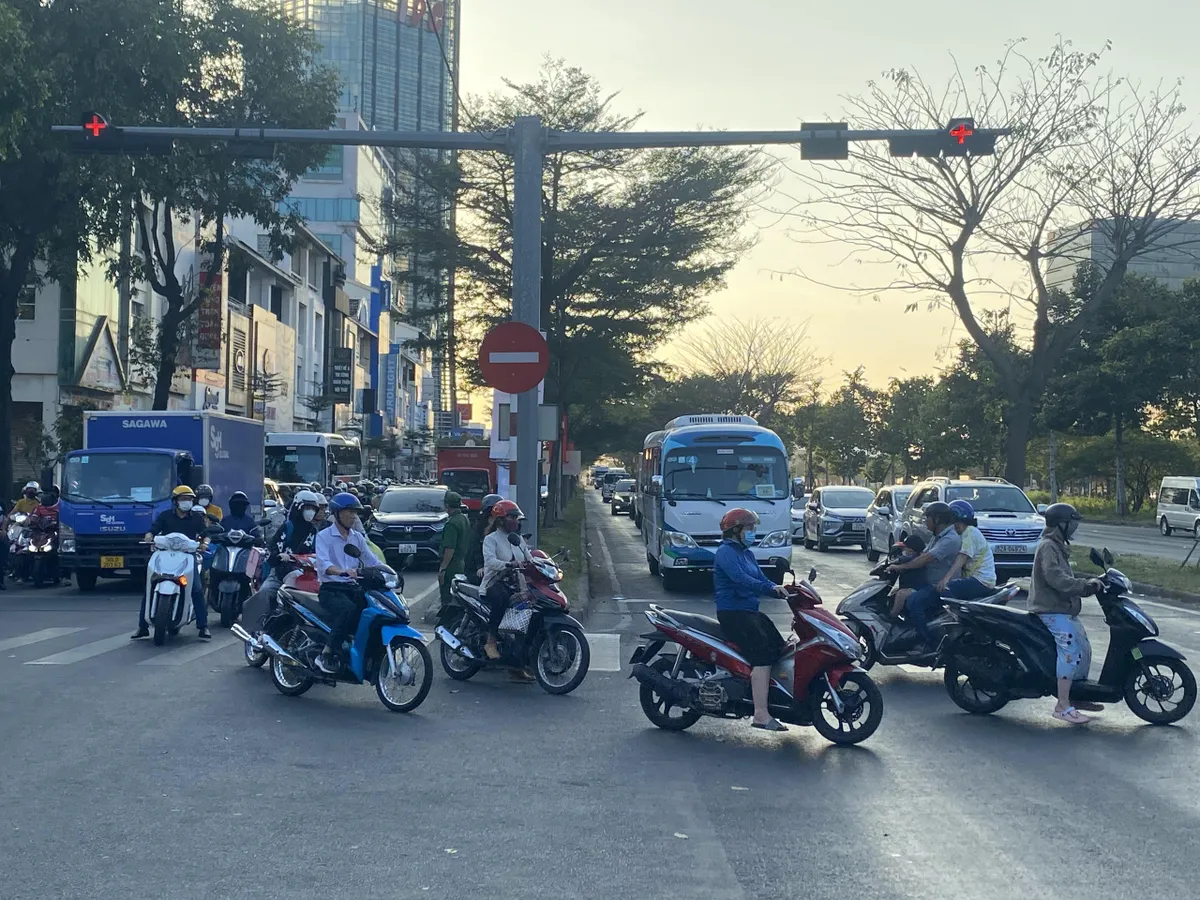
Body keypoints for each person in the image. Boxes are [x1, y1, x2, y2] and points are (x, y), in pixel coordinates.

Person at [712, 508, 791, 731]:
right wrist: (769, 588)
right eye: (749, 528)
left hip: (749, 612)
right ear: (736, 530)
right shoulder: (726, 552)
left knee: (779, 647)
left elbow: (759, 577)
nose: (752, 532)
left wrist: (779, 587)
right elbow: (741, 579)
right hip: (734, 614)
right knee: (763, 656)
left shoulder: (746, 553)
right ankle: (760, 714)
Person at [1028, 502, 1104, 725]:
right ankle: (1062, 705)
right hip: (1050, 609)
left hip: (1062, 609)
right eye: (1071, 524)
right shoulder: (1048, 547)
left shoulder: (1058, 545)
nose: (1074, 528)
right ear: (1061, 524)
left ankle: (1074, 697)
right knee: (1069, 651)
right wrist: (1084, 586)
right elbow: (1056, 578)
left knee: (1083, 647)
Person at [313, 492, 383, 675]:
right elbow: (323, 564)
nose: (353, 516)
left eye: (355, 513)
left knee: (374, 611)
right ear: (337, 513)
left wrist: (389, 572)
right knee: (347, 610)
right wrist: (341, 571)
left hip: (353, 588)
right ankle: (326, 654)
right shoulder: (324, 536)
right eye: (349, 512)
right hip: (331, 589)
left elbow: (371, 560)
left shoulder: (357, 538)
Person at [133, 486, 211, 641]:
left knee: (196, 588)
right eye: (183, 499)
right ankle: (143, 627)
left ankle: (203, 626)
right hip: (165, 556)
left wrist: (205, 543)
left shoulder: (196, 517)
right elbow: (154, 529)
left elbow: (205, 534)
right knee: (150, 586)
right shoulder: (165, 516)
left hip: (187, 557)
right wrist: (149, 535)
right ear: (175, 501)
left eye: (189, 499)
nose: (186, 502)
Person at [241, 490, 321, 626]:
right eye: (307, 508)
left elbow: (318, 553)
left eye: (313, 509)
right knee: (265, 592)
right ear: (298, 507)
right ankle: (259, 629)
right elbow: (275, 547)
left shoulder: (314, 532)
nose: (310, 512)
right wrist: (279, 556)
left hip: (305, 576)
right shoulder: (287, 527)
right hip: (280, 573)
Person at [886, 501, 961, 644]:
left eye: (928, 519)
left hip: (939, 586)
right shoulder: (938, 536)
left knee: (914, 601)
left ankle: (923, 640)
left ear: (937, 520)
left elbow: (926, 559)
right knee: (896, 593)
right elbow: (922, 554)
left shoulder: (949, 539)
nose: (926, 522)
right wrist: (899, 560)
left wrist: (901, 567)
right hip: (928, 583)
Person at [481, 500, 534, 673]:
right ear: (501, 519)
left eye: (516, 518)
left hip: (517, 585)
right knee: (502, 598)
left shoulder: (517, 540)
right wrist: (508, 565)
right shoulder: (491, 540)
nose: (516, 521)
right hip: (494, 583)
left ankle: (517, 663)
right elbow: (489, 561)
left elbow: (529, 558)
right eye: (512, 517)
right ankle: (491, 641)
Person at [937, 500, 998, 600]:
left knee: (946, 588)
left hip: (980, 580)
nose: (954, 526)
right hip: (978, 579)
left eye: (956, 522)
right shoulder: (964, 533)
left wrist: (946, 579)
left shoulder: (970, 532)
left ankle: (956, 614)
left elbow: (962, 557)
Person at [435, 491, 470, 619]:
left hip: (451, 566)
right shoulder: (464, 519)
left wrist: (443, 569)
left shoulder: (452, 524)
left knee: (447, 601)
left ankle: (445, 628)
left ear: (448, 506)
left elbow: (449, 548)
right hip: (461, 563)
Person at [464, 493, 503, 584]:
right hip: (478, 569)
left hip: (499, 567)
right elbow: (475, 548)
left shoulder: (502, 526)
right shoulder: (479, 528)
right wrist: (480, 566)